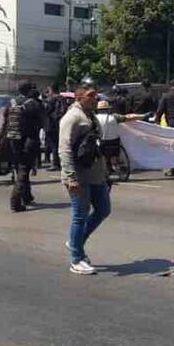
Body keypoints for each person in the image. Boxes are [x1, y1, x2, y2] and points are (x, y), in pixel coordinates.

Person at [60, 83, 112, 275]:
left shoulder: (90, 116)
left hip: (96, 174)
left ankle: (76, 241)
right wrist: (71, 177)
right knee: (80, 215)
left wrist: (105, 174)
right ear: (79, 97)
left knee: (103, 209)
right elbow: (64, 149)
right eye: (91, 95)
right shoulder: (72, 117)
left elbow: (96, 147)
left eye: (96, 95)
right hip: (79, 176)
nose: (95, 98)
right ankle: (76, 259)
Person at [7, 80, 46, 212]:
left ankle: (27, 196)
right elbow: (43, 122)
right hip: (29, 140)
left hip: (14, 140)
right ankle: (15, 202)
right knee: (24, 170)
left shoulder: (13, 102)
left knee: (21, 168)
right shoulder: (34, 104)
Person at [95, 100, 144, 175]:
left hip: (101, 143)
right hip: (114, 143)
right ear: (108, 109)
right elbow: (129, 117)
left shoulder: (94, 119)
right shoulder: (114, 117)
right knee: (116, 150)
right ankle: (117, 164)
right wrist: (143, 116)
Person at [43, 84, 67, 170]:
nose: (48, 93)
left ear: (51, 90)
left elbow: (46, 111)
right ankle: (59, 162)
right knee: (58, 144)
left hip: (51, 124)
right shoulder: (63, 99)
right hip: (60, 124)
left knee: (53, 145)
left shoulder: (51, 100)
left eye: (48, 90)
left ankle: (55, 164)